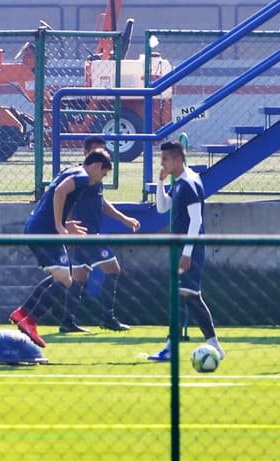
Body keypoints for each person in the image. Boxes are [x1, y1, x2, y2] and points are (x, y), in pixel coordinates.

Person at [9, 149, 114, 347]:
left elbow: (57, 199)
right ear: (98, 166)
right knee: (66, 280)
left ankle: (23, 312)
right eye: (104, 173)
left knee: (63, 276)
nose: (102, 178)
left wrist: (66, 224)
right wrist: (59, 226)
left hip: (38, 227)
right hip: (45, 230)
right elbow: (59, 192)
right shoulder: (83, 176)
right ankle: (30, 321)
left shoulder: (71, 171)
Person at [149, 140, 225, 363]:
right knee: (188, 297)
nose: (162, 163)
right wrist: (160, 182)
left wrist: (187, 253)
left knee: (186, 296)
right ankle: (212, 345)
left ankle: (174, 347)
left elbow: (197, 220)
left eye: (165, 159)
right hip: (183, 248)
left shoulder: (190, 183)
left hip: (189, 249)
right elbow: (163, 207)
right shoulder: (180, 181)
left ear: (178, 159)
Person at [60, 137, 140, 333]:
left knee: (79, 279)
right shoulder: (80, 177)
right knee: (113, 269)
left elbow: (101, 202)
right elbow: (66, 200)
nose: (103, 155)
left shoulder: (95, 177)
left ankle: (67, 321)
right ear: (87, 153)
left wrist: (123, 218)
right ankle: (108, 318)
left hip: (87, 235)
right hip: (87, 235)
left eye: (104, 151)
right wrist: (67, 228)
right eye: (97, 151)